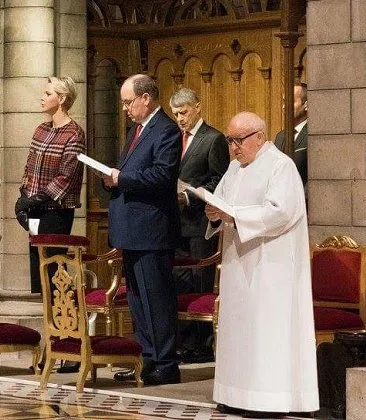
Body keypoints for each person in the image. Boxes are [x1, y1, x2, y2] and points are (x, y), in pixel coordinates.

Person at [204, 112, 318, 417]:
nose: (233, 148)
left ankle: (268, 400)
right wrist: (214, 214)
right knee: (239, 331)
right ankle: (235, 393)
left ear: (259, 136)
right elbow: (223, 202)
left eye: (237, 140)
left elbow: (280, 213)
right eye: (229, 140)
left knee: (267, 331)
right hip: (238, 262)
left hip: (271, 266)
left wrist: (235, 216)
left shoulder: (281, 166)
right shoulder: (233, 168)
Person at [103, 74, 181, 386]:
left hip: (152, 229)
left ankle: (165, 363)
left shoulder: (166, 130)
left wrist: (122, 179)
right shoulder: (137, 130)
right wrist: (112, 177)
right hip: (132, 229)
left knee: (156, 299)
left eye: (127, 101)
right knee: (137, 299)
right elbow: (132, 171)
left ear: (145, 98)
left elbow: (162, 177)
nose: (124, 108)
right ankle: (147, 359)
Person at [15, 76, 85, 373]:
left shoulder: (74, 133)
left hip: (56, 212)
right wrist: (23, 198)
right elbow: (30, 167)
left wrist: (37, 200)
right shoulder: (41, 129)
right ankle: (52, 344)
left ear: (63, 98)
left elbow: (66, 177)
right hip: (35, 210)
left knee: (56, 278)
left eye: (48, 93)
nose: (42, 98)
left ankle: (70, 346)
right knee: (42, 282)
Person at [169, 88, 229, 364]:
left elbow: (220, 179)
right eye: (176, 114)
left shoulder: (213, 139)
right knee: (178, 281)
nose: (180, 119)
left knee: (198, 281)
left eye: (184, 113)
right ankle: (181, 342)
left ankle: (200, 345)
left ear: (197, 108)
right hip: (174, 222)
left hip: (198, 221)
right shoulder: (173, 137)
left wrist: (189, 196)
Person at [274, 83, 308, 186]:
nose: (284, 107)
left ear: (306, 105)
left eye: (291, 102)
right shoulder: (281, 136)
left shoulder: (313, 136)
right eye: (284, 102)